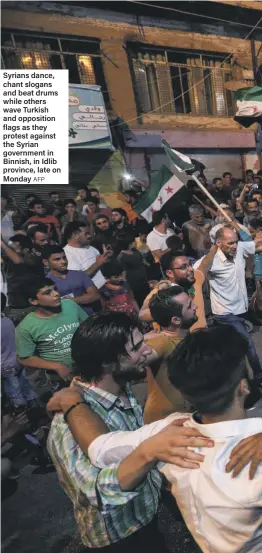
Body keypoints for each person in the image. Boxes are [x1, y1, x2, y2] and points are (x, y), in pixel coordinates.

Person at [85, 326, 262, 553]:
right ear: (243, 387)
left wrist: (73, 404)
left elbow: (98, 449)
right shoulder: (254, 461)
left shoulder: (164, 434)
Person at [47, 312, 212, 553]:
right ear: (106, 363)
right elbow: (96, 493)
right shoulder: (69, 423)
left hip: (143, 518)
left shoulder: (122, 387)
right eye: (136, 347)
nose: (147, 350)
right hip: (117, 537)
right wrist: (149, 453)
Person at [195, 225, 262, 381]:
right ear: (218, 243)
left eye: (235, 242)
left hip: (241, 310)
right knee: (247, 345)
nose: (235, 246)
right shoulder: (210, 261)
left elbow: (257, 243)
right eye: (230, 243)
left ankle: (239, 381)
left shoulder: (239, 249)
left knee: (235, 349)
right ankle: (258, 376)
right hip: (225, 314)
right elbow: (197, 273)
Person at [16, 278, 88, 384]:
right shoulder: (26, 327)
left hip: (89, 366)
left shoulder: (70, 305)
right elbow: (23, 358)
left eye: (55, 289)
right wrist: (57, 366)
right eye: (48, 293)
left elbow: (89, 327)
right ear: (33, 301)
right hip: (61, 378)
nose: (56, 294)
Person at [143, 286, 198, 423]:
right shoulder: (162, 342)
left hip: (185, 418)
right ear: (176, 320)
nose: (196, 306)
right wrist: (141, 340)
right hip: (164, 423)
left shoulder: (186, 337)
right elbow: (140, 358)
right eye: (190, 306)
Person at [139, 245, 218, 332]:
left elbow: (205, 264)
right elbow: (142, 315)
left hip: (203, 335)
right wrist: (169, 307)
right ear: (170, 273)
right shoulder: (163, 291)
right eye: (183, 267)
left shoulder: (195, 278)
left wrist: (215, 247)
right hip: (183, 342)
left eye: (190, 264)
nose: (191, 269)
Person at [1, 293, 37, 410]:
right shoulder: (7, 321)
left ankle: (24, 416)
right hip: (17, 360)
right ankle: (36, 408)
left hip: (5, 366)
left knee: (14, 392)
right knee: (25, 386)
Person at [43, 245, 101, 314]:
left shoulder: (79, 274)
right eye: (57, 259)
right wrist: (84, 298)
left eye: (64, 258)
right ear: (46, 262)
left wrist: (69, 301)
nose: (63, 262)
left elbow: (95, 295)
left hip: (88, 316)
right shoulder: (46, 282)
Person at [63, 221, 109, 290]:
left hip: (107, 287)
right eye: (86, 234)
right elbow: (78, 279)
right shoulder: (66, 255)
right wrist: (97, 264)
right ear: (75, 235)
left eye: (89, 233)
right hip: (94, 293)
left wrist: (107, 257)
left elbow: (102, 264)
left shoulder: (90, 247)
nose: (90, 236)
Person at [117, 237, 150, 307]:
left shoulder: (135, 250)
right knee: (141, 299)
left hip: (143, 279)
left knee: (148, 296)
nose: (135, 243)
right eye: (133, 242)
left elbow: (142, 260)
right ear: (129, 244)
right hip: (134, 283)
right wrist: (126, 286)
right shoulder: (121, 257)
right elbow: (123, 273)